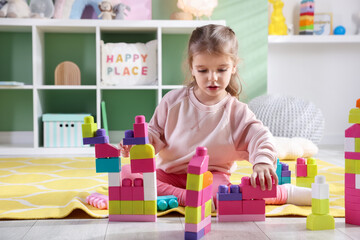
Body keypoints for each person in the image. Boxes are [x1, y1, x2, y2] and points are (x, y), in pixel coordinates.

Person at [118, 24, 311, 207]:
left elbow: (260, 137)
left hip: (211, 178)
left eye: (221, 69)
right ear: (192, 67)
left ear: (234, 66)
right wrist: (138, 144)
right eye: (203, 70)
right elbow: (153, 132)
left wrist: (262, 162)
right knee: (127, 174)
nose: (212, 77)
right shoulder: (173, 101)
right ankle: (187, 197)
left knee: (226, 197)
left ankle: (285, 193)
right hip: (170, 176)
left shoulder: (237, 112)